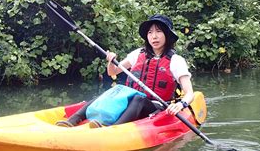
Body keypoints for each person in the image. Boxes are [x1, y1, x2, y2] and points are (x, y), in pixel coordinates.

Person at [57, 14, 194, 127]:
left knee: (138, 99)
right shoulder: (138, 54)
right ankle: (73, 120)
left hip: (156, 106)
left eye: (159, 31)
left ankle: (114, 129)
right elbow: (113, 72)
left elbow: (189, 93)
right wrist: (110, 62)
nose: (154, 36)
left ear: (167, 35)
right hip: (130, 100)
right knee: (110, 93)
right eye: (150, 32)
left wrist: (180, 104)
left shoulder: (176, 60)